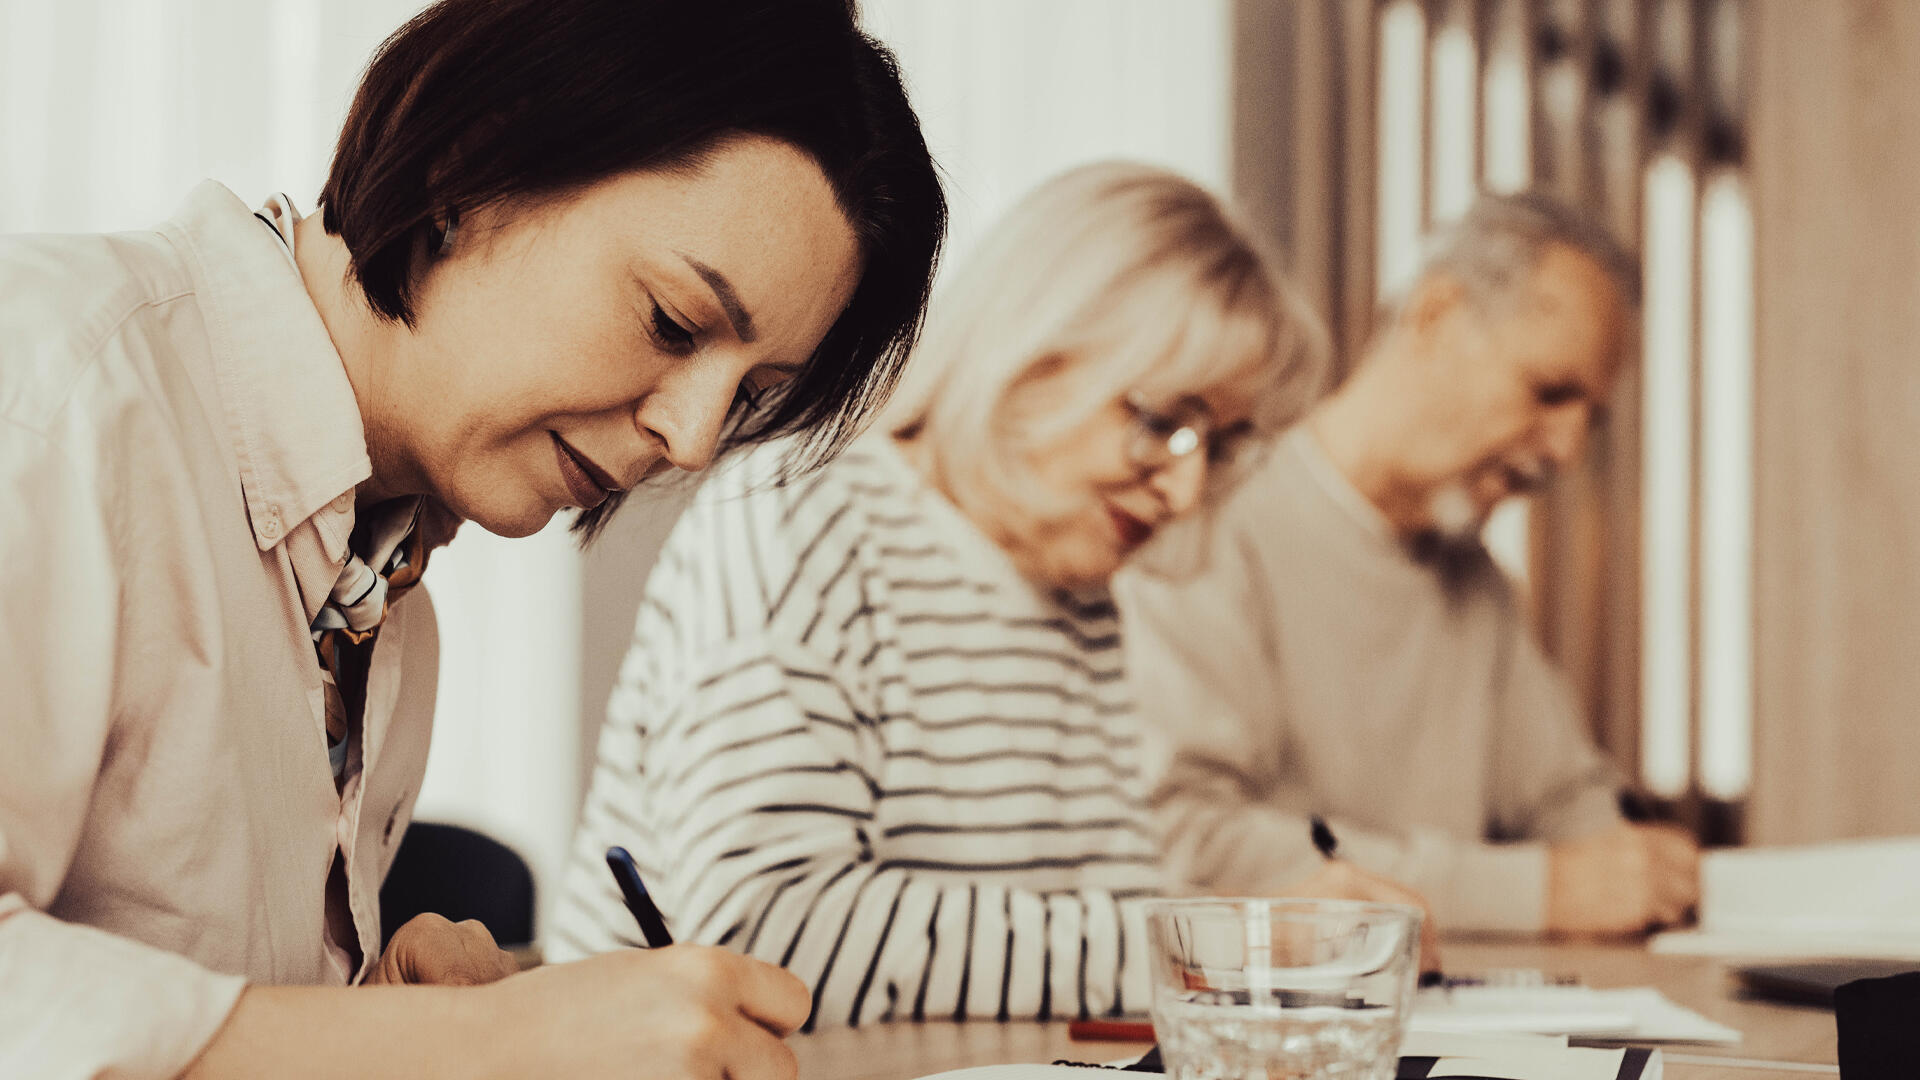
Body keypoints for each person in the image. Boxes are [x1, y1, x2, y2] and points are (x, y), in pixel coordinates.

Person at [0, 1, 944, 1075]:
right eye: (674, 324)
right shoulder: (52, 393)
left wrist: (378, 1014)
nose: (689, 441)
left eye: (747, 397)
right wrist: (457, 1046)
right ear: (473, 166)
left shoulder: (388, 596)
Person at [553, 162, 1438, 1031]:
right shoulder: (803, 516)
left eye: (1222, 445)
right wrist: (1210, 941)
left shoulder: (1079, 592)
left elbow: (1087, 929)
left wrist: (1227, 938)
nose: (1185, 490)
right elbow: (774, 939)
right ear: (1030, 353)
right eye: (1167, 422)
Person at [1118, 191, 1700, 938]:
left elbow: (1569, 806)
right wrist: (1536, 894)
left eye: (1588, 417)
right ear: (1436, 316)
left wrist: (1638, 864)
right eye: (1550, 393)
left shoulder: (1477, 585)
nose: (1566, 452)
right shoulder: (1207, 519)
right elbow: (1191, 845)